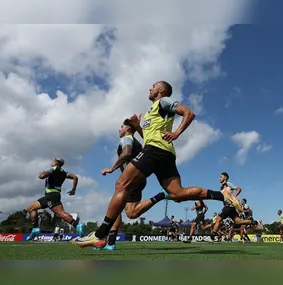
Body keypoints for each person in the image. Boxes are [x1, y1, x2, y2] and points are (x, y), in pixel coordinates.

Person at [72, 81, 241, 248]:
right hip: (163, 152)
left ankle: (100, 234)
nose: (150, 88)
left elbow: (188, 113)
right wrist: (138, 127)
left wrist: (176, 133)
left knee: (121, 184)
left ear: (160, 90)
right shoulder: (153, 110)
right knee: (177, 194)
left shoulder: (163, 101)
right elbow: (148, 136)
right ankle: (223, 195)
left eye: (153, 86)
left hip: (155, 150)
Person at [94, 119, 169, 251]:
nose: (119, 129)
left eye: (121, 126)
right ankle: (109, 242)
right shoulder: (134, 141)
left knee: (131, 213)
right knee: (116, 209)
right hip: (133, 180)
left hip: (132, 181)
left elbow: (126, 152)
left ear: (128, 129)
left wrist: (111, 168)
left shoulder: (126, 139)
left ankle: (161, 195)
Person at [26, 158, 84, 241]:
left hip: (51, 196)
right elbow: (75, 177)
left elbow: (42, 176)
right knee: (31, 208)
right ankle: (35, 229)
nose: (51, 162)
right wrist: (73, 189)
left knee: (61, 213)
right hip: (51, 195)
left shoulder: (52, 169)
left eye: (53, 161)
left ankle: (77, 225)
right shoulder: (64, 172)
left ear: (56, 163)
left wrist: (41, 174)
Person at [206, 173, 257, 243]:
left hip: (228, 206)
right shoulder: (222, 187)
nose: (219, 178)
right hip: (231, 207)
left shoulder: (228, 184)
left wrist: (235, 196)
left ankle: (212, 237)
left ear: (225, 178)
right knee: (238, 221)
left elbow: (239, 188)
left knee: (218, 219)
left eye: (221, 177)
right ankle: (252, 222)